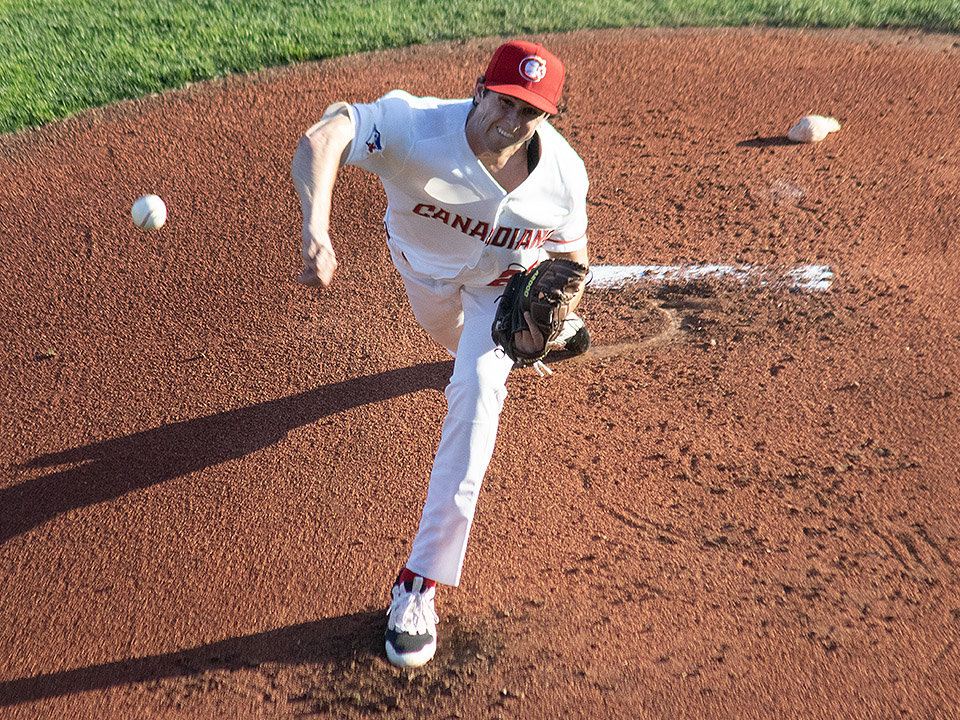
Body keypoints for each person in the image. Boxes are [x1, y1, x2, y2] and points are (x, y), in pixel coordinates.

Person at [291, 40, 590, 668]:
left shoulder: (564, 176)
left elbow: (573, 258)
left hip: (498, 286)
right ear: (480, 90)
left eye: (530, 111)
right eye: (505, 101)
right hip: (423, 277)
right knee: (456, 350)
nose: (512, 119)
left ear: (548, 119)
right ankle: (522, 346)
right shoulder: (415, 128)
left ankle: (419, 581)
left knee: (480, 389)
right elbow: (324, 138)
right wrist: (316, 228)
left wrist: (557, 301)